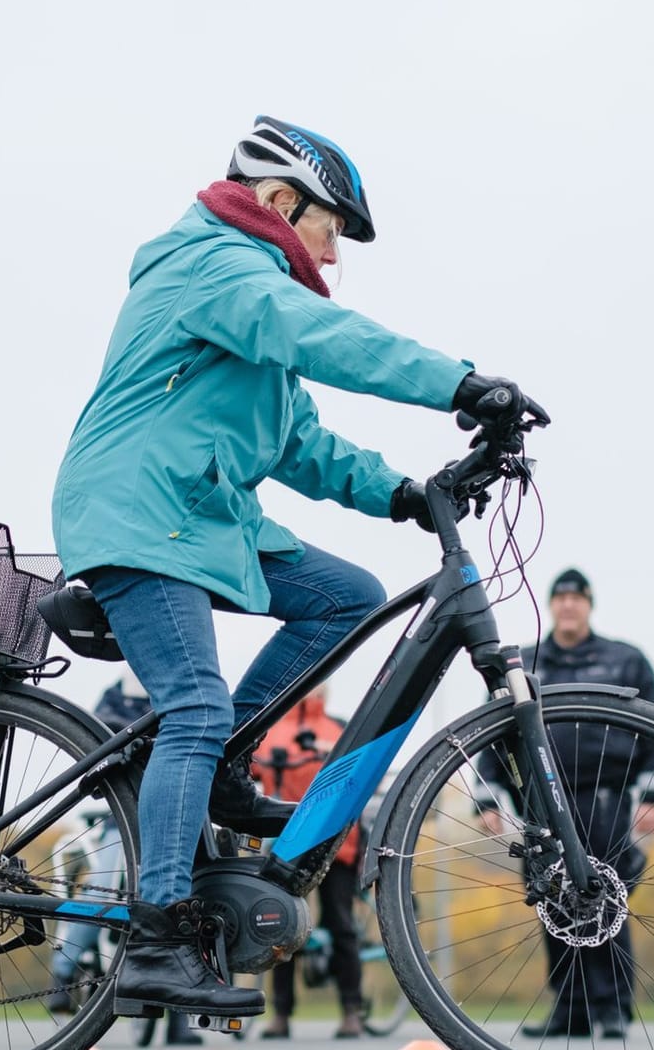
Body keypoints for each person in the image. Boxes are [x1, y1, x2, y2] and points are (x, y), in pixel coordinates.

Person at [51, 114, 545, 1018]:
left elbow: (299, 443)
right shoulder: (216, 266)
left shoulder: (249, 298)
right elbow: (323, 335)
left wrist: (403, 491)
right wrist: (460, 385)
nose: (331, 251)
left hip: (197, 515)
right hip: (138, 512)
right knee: (192, 705)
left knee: (346, 596)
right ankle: (155, 939)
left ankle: (220, 766)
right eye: (330, 227)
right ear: (280, 202)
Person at [476, 567, 654, 1039]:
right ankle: (571, 1010)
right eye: (559, 598)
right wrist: (486, 798)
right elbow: (492, 731)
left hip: (604, 798)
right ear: (552, 605)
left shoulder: (624, 660)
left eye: (575, 598)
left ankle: (613, 1009)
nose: (567, 605)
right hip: (539, 804)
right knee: (554, 905)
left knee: (605, 900)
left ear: (588, 604)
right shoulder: (524, 663)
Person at [45, 676, 201, 1044]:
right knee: (105, 886)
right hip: (124, 819)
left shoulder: (184, 688)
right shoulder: (116, 696)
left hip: (176, 818)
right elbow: (99, 744)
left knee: (190, 903)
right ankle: (63, 971)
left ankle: (180, 1018)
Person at [250, 685, 365, 1040]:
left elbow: (358, 774)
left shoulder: (340, 728)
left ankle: (351, 1011)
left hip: (336, 843)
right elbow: (248, 774)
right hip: (285, 842)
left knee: (340, 924)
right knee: (280, 926)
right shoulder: (268, 732)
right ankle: (281, 1014)